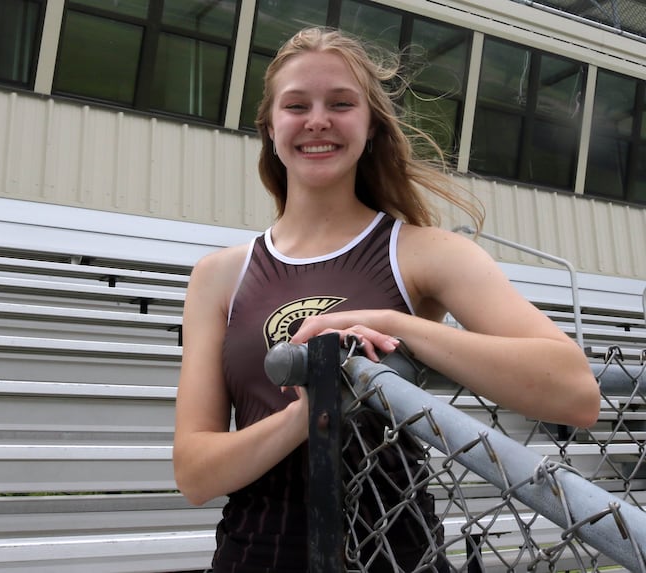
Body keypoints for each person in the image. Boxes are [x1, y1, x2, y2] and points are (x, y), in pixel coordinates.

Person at [172, 26, 600, 573]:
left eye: (341, 103)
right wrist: (316, 407)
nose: (318, 120)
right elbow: (194, 473)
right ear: (270, 128)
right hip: (255, 553)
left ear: (371, 125)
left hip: (395, 552)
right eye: (296, 105)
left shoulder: (426, 253)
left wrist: (393, 323)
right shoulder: (219, 275)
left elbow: (575, 393)